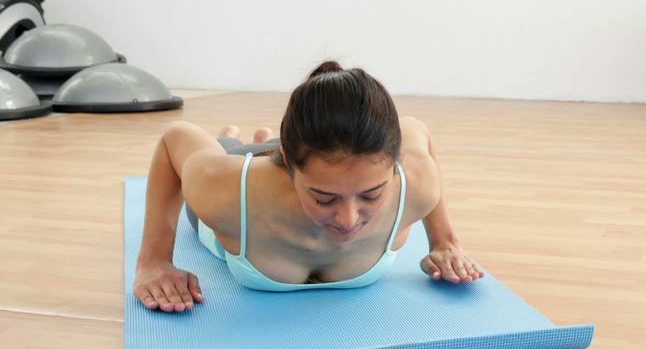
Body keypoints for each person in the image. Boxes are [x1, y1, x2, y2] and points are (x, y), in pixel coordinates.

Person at [132, 60, 483, 312]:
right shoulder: (224, 190)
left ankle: (267, 144)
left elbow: (414, 126)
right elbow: (175, 138)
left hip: (290, 161)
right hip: (251, 175)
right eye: (325, 198)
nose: (347, 220)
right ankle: (236, 139)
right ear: (288, 162)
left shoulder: (416, 185)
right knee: (226, 149)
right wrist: (154, 261)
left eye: (371, 194)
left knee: (283, 158)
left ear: (394, 165)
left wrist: (446, 242)